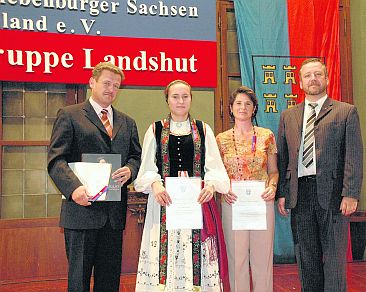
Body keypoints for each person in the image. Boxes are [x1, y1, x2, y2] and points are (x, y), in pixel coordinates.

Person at [47, 62, 142, 291]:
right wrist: (74, 189)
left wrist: (130, 170)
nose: (111, 89)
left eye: (116, 86)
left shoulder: (127, 122)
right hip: (81, 211)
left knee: (109, 281)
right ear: (92, 83)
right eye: (107, 83)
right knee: (79, 280)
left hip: (113, 216)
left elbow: (136, 157)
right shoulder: (70, 115)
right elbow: (55, 160)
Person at [134, 80, 230, 292]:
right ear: (167, 100)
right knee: (164, 255)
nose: (180, 101)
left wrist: (211, 186)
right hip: (163, 204)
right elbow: (147, 167)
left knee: (194, 257)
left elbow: (215, 167)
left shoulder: (204, 129)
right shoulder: (155, 129)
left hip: (195, 205)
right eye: (175, 97)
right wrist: (155, 184)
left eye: (185, 96)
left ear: (191, 99)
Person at [276, 58, 363, 292]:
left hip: (334, 195)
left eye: (317, 74)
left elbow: (353, 155)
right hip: (300, 194)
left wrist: (351, 194)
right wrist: (282, 194)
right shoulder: (288, 116)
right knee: (306, 257)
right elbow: (283, 158)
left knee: (334, 258)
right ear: (300, 82)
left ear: (326, 79)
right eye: (307, 75)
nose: (313, 79)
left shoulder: (346, 112)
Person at [216, 86, 279, 292]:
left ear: (254, 109)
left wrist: (272, 186)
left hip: (262, 203)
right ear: (231, 108)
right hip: (232, 203)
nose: (243, 107)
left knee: (263, 260)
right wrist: (223, 189)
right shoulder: (220, 139)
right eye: (238, 103)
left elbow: (273, 171)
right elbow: (216, 174)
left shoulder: (266, 136)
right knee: (237, 260)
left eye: (248, 104)